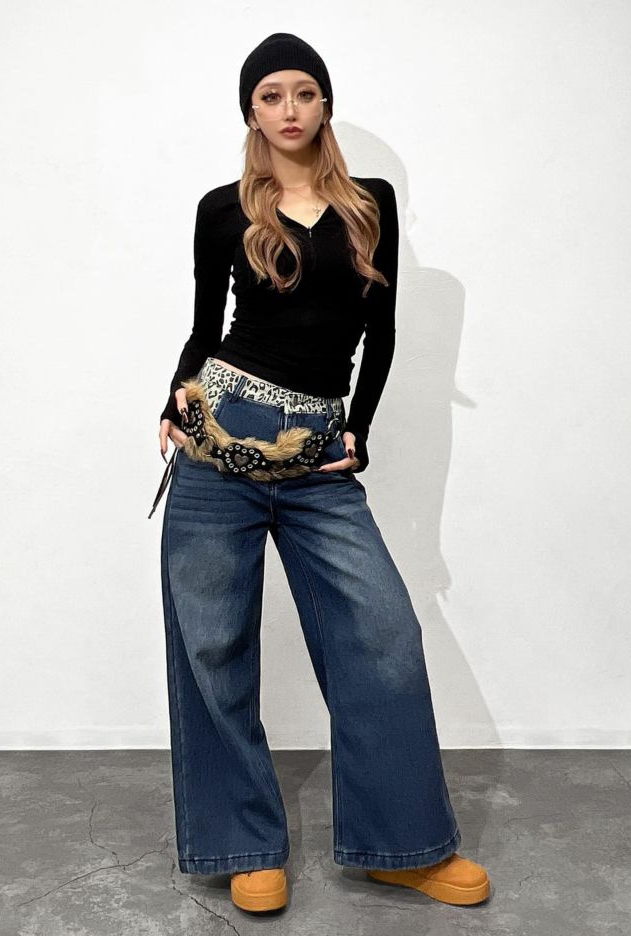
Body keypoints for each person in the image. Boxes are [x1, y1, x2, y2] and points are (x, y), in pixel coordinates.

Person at [155, 32, 491, 914]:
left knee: (382, 634)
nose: (290, 109)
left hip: (315, 459)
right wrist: (170, 402)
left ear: (325, 103)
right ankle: (243, 846)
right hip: (216, 450)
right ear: (251, 112)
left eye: (304, 92)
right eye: (271, 96)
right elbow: (205, 328)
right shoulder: (222, 209)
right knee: (212, 647)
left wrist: (360, 431)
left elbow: (381, 334)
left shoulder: (369, 202)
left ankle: (401, 846)